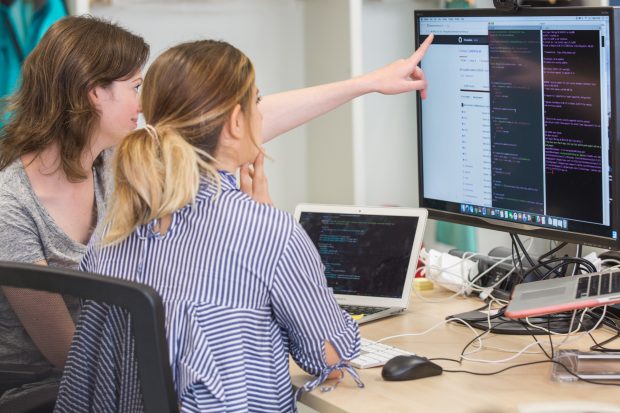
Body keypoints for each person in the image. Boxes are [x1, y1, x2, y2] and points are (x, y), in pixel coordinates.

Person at [0, 14, 433, 406]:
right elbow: (69, 351)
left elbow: (219, 123)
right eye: (135, 88)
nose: (141, 105)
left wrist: (367, 83)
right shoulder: (13, 203)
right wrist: (263, 237)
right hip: (39, 383)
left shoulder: (118, 177)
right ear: (95, 93)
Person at [57, 38, 366, 412]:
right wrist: (266, 223)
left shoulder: (113, 227)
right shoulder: (268, 233)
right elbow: (330, 358)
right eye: (258, 102)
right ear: (236, 122)